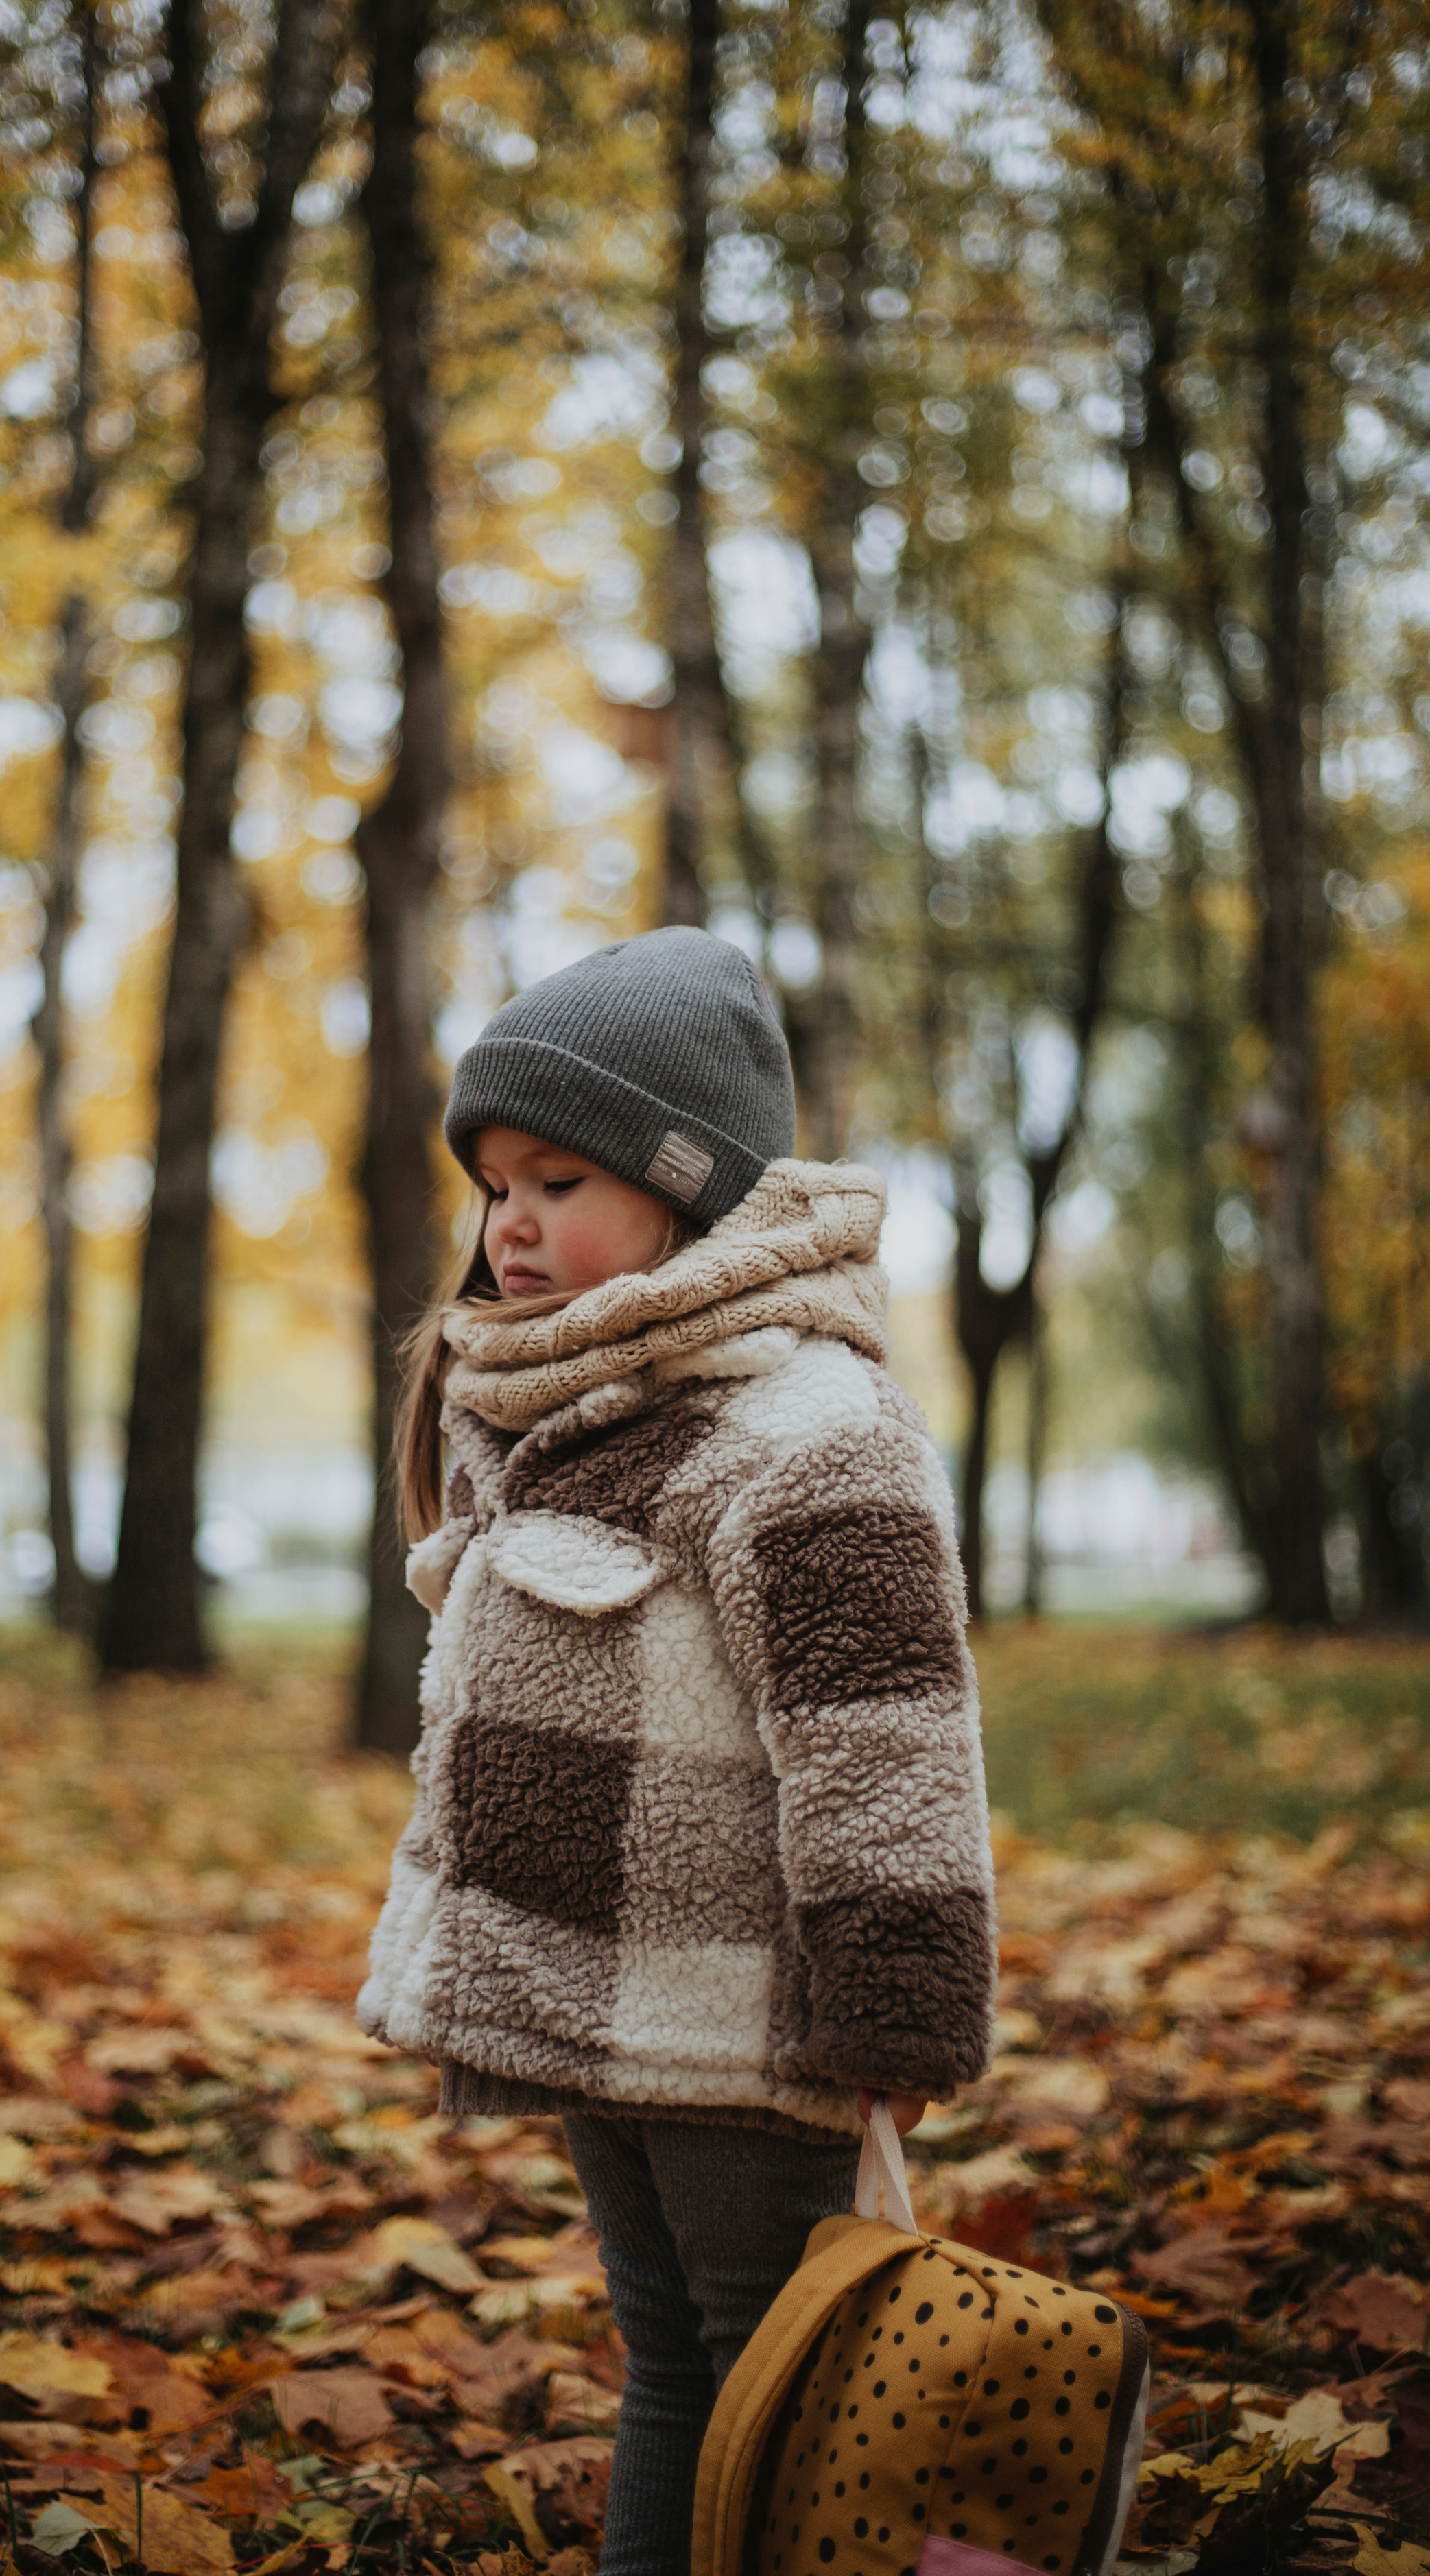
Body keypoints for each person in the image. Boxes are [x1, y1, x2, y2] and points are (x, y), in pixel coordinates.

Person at [358, 927, 996, 2576]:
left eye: (558, 1179)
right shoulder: (554, 1400)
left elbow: (882, 1740)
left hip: (743, 2009)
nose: (510, 1223)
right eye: (495, 1183)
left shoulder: (799, 1429)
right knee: (668, 2362)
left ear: (684, 1188)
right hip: (598, 2004)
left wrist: (895, 2005)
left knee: (771, 2369)